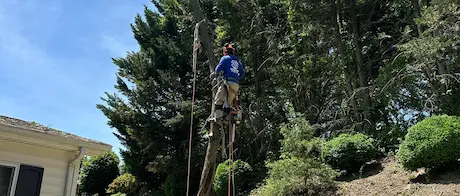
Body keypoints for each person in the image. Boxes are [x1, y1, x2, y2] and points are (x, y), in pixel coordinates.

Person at [213, 43, 245, 118]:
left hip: (227, 83)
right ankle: (227, 119)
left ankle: (217, 117)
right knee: (229, 103)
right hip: (236, 85)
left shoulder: (225, 58)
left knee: (219, 98)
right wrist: (236, 77)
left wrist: (218, 74)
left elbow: (217, 69)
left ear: (225, 52)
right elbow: (242, 73)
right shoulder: (237, 61)